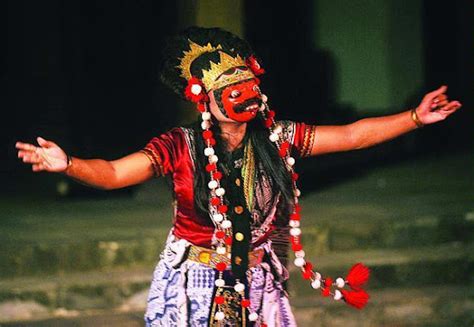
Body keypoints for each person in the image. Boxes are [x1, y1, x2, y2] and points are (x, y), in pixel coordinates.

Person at [15, 27, 461, 326]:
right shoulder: (180, 145)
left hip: (258, 277)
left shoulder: (278, 137)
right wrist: (68, 164)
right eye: (233, 92)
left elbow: (352, 136)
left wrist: (415, 118)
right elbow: (114, 173)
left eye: (250, 88)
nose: (246, 98)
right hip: (192, 281)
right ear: (205, 100)